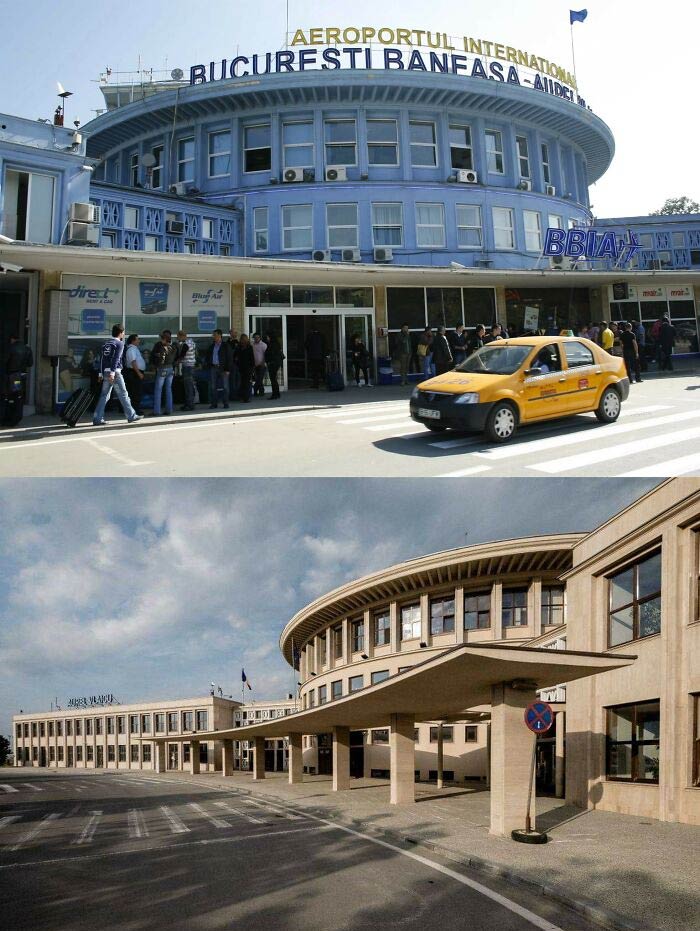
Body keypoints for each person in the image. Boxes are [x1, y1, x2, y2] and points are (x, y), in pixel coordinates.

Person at [92, 324, 142, 426]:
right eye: (123, 332)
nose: (123, 334)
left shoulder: (106, 344)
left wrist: (101, 373)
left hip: (105, 372)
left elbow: (102, 359)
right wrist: (112, 373)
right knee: (123, 394)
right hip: (115, 373)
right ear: (120, 333)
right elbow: (116, 359)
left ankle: (97, 418)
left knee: (104, 395)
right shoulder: (119, 344)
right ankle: (131, 416)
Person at [2, 334, 33, 426]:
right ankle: (16, 417)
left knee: (8, 396)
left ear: (12, 339)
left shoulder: (10, 348)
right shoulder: (27, 349)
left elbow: (4, 361)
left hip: (11, 376)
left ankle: (9, 418)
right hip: (20, 376)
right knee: (18, 396)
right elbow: (30, 363)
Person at [152, 329, 178, 416]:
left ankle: (157, 411)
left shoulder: (162, 347)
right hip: (170, 368)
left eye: (162, 339)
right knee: (168, 389)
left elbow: (161, 359)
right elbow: (175, 358)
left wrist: (157, 362)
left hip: (162, 369)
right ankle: (169, 410)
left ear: (165, 340)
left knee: (158, 389)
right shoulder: (173, 347)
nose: (160, 340)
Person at [205, 329, 233, 409]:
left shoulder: (225, 345)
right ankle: (214, 403)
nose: (213, 337)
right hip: (214, 368)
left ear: (220, 335)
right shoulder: (212, 346)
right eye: (213, 335)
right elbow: (208, 356)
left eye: (215, 335)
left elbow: (229, 358)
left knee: (225, 386)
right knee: (213, 386)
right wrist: (209, 364)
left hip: (223, 368)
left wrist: (227, 369)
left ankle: (226, 403)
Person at [123, 334, 146, 415]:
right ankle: (135, 410)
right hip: (134, 372)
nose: (139, 341)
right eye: (137, 339)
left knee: (136, 392)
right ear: (133, 341)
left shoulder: (134, 348)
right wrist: (139, 373)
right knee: (135, 392)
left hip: (135, 372)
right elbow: (133, 362)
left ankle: (135, 409)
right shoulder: (131, 349)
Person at [177, 329, 197, 411]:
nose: (178, 339)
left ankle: (189, 405)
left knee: (188, 387)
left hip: (187, 367)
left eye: (178, 337)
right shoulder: (192, 343)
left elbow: (181, 356)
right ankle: (189, 403)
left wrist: (175, 362)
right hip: (191, 366)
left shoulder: (186, 345)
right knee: (190, 386)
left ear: (182, 336)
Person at [264, 332, 284, 400]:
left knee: (273, 379)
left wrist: (268, 361)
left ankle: (275, 394)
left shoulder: (272, 345)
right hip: (276, 363)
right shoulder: (276, 344)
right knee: (274, 379)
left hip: (273, 364)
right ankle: (277, 393)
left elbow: (270, 355)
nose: (267, 338)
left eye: (268, 337)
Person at [235, 333, 255, 402]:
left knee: (246, 383)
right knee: (244, 383)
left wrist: (252, 367)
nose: (243, 340)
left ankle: (245, 397)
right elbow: (235, 356)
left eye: (243, 339)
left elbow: (252, 358)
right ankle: (243, 397)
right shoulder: (239, 347)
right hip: (242, 367)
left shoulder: (249, 347)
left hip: (247, 368)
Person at [251, 332, 268, 397]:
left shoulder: (263, 345)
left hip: (262, 365)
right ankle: (261, 391)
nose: (256, 339)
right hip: (255, 365)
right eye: (255, 338)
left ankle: (255, 390)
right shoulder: (253, 345)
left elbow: (265, 355)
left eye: (257, 337)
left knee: (259, 379)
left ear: (260, 338)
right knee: (258, 379)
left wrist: (263, 363)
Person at [228, 328, 240, 398]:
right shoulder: (229, 342)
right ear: (231, 333)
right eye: (234, 332)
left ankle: (237, 394)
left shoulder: (237, 342)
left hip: (237, 363)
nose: (236, 334)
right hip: (232, 363)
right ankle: (233, 395)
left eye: (236, 332)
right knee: (232, 379)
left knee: (237, 379)